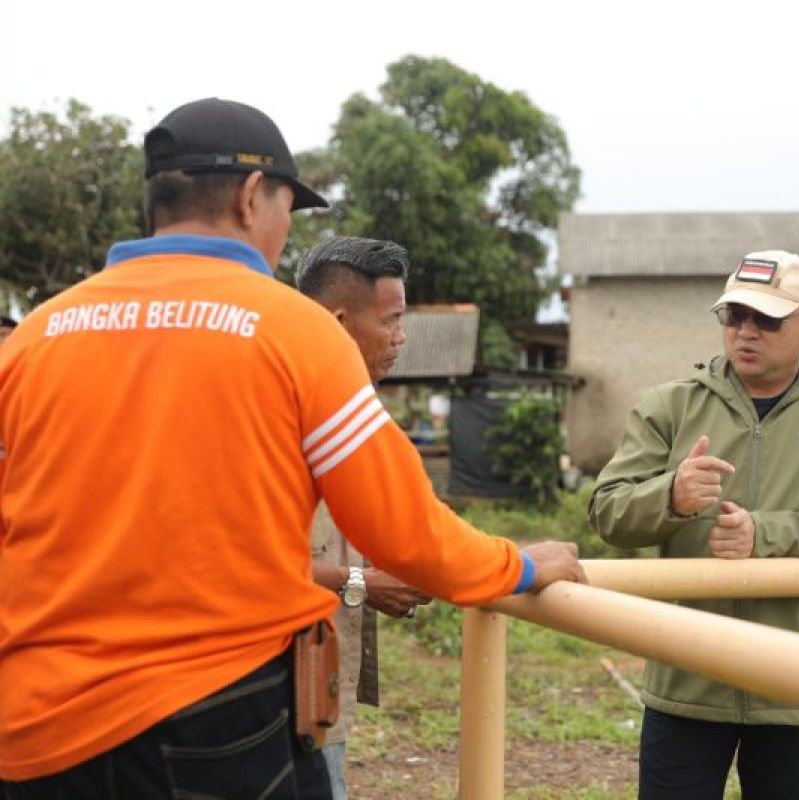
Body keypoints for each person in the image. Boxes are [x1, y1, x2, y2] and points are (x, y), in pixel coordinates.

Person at [0, 97, 584, 799]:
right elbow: (402, 532)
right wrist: (520, 565)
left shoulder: (36, 335)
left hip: (35, 728)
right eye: (288, 210)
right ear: (252, 198)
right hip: (215, 720)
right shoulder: (294, 330)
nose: (284, 232)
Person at [589, 250, 799, 800]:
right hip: (688, 673)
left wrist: (767, 534)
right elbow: (607, 512)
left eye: (767, 319)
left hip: (797, 678)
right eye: (735, 316)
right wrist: (673, 497)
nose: (746, 332)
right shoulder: (670, 405)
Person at [294, 235, 433, 798]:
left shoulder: (351, 410)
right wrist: (361, 583)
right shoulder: (278, 410)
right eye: (391, 320)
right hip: (275, 687)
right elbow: (239, 561)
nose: (401, 337)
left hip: (319, 679)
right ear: (338, 320)